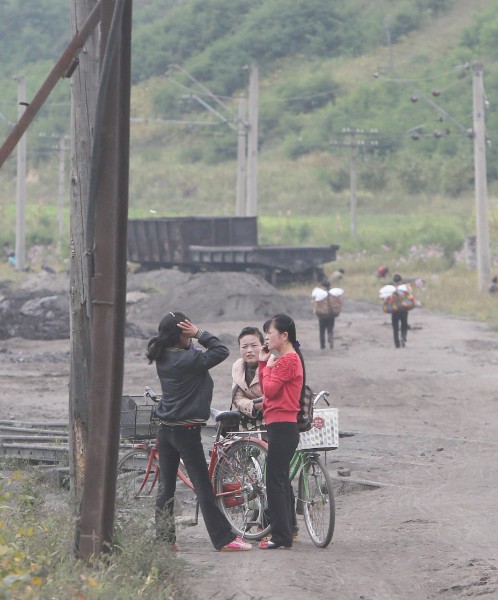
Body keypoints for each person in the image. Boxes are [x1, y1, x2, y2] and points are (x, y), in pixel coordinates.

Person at [146, 311, 252, 553]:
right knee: (203, 487)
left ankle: (164, 540)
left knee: (166, 486)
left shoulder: (164, 356)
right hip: (186, 431)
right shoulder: (188, 361)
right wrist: (200, 333)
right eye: (187, 332)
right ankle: (223, 539)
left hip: (165, 430)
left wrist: (189, 338)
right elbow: (221, 351)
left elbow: (195, 352)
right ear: (181, 334)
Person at [258, 314, 305, 549]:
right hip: (280, 425)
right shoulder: (285, 359)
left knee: (274, 480)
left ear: (284, 335)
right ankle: (284, 533)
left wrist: (266, 367)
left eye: (270, 332)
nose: (266, 337)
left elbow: (269, 390)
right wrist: (263, 363)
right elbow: (268, 387)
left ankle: (280, 536)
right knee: (280, 479)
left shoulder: (288, 360)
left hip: (283, 426)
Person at [231, 326, 264, 426]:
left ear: (263, 346)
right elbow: (237, 398)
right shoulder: (238, 367)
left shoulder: (272, 365)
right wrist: (254, 406)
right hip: (250, 415)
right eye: (244, 347)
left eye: (254, 345)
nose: (249, 350)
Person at [311, 279, 337, 350]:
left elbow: (315, 301)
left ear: (322, 285)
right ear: (330, 285)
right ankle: (330, 337)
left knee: (322, 331)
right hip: (331, 314)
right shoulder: (333, 293)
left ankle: (322, 346)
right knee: (330, 329)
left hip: (322, 315)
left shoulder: (320, 293)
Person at [391, 274, 409, 348]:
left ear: (394, 281)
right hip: (404, 309)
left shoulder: (391, 289)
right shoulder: (405, 288)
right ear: (401, 281)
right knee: (404, 325)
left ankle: (397, 344)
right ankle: (403, 336)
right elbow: (410, 297)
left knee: (395, 327)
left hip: (395, 310)